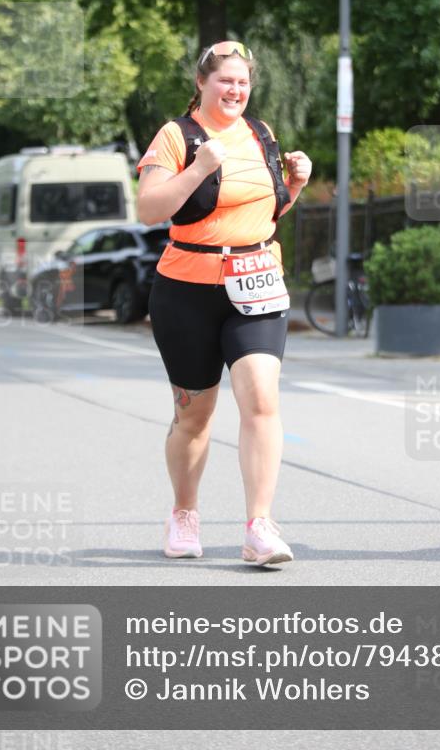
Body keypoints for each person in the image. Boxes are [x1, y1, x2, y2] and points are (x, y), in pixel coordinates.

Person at [136, 41, 312, 565]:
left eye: (243, 83)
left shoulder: (261, 135)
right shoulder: (176, 136)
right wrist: (197, 168)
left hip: (257, 281)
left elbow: (262, 217)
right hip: (187, 289)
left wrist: (295, 185)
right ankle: (184, 513)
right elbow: (149, 209)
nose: (235, 90)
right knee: (194, 414)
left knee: (261, 397)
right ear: (202, 83)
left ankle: (260, 525)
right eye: (225, 81)